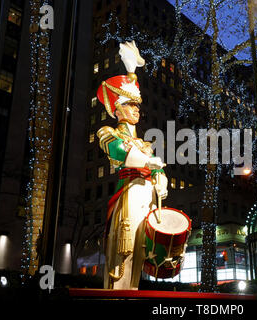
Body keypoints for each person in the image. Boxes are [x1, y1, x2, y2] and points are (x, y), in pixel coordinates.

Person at [96, 41, 168, 290]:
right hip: (127, 195)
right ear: (117, 109)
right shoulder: (108, 133)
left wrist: (161, 179)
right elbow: (120, 152)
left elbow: (157, 169)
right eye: (130, 104)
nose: (136, 109)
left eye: (137, 105)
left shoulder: (143, 142)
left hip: (146, 199)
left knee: (139, 256)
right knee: (122, 258)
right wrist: (150, 162)